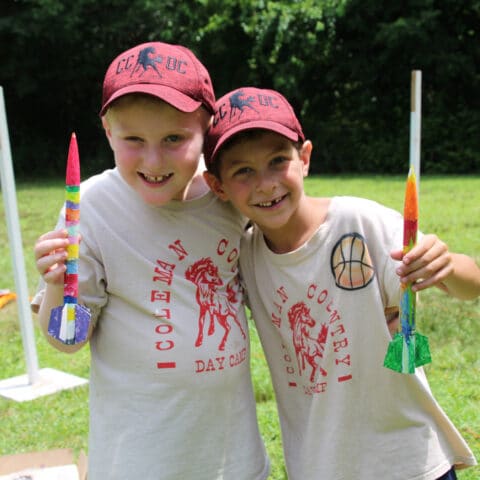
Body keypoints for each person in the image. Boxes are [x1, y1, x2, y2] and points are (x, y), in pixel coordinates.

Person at [203, 86, 480, 480]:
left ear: (305, 158)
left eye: (278, 160)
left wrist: (446, 264)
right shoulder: (243, 255)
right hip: (319, 467)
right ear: (218, 186)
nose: (265, 184)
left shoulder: (360, 222)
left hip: (409, 463)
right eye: (242, 171)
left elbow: (472, 285)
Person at [32, 45, 269, 480]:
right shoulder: (92, 208)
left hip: (232, 460)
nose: (154, 161)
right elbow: (66, 342)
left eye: (174, 139)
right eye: (134, 140)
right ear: (107, 131)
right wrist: (54, 284)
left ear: (208, 128)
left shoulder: (228, 200)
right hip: (137, 463)